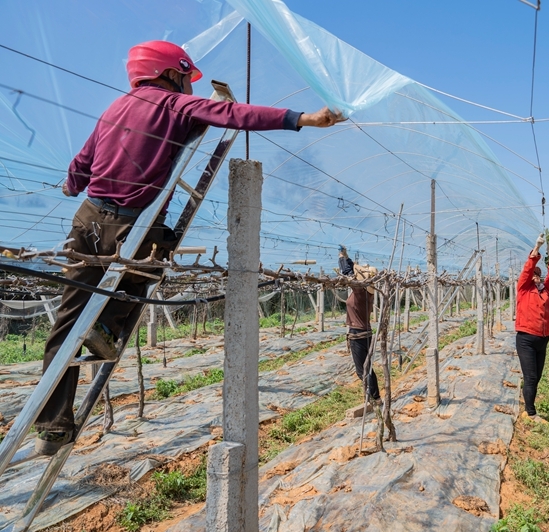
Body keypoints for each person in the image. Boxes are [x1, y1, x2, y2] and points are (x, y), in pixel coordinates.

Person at [34, 40, 344, 455]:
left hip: (88, 219)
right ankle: (107, 327)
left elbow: (82, 164)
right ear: (169, 72)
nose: (189, 85)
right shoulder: (174, 105)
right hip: (133, 221)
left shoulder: (114, 108)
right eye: (185, 76)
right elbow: (236, 115)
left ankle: (52, 423)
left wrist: (73, 185)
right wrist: (302, 118)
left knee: (67, 321)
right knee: (154, 257)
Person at [515, 233, 549, 423]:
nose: (536, 278)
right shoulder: (523, 289)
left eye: (538, 276)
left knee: (537, 376)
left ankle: (529, 406)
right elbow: (527, 270)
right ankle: (531, 413)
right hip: (526, 338)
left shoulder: (545, 291)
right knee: (531, 376)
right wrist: (536, 249)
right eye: (534, 275)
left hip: (543, 339)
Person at [345, 263, 381, 404]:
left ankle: (374, 397)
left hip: (357, 334)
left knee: (362, 371)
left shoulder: (360, 292)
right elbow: (351, 270)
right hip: (365, 333)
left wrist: (343, 257)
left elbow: (347, 271)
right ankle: (374, 395)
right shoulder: (369, 293)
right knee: (368, 367)